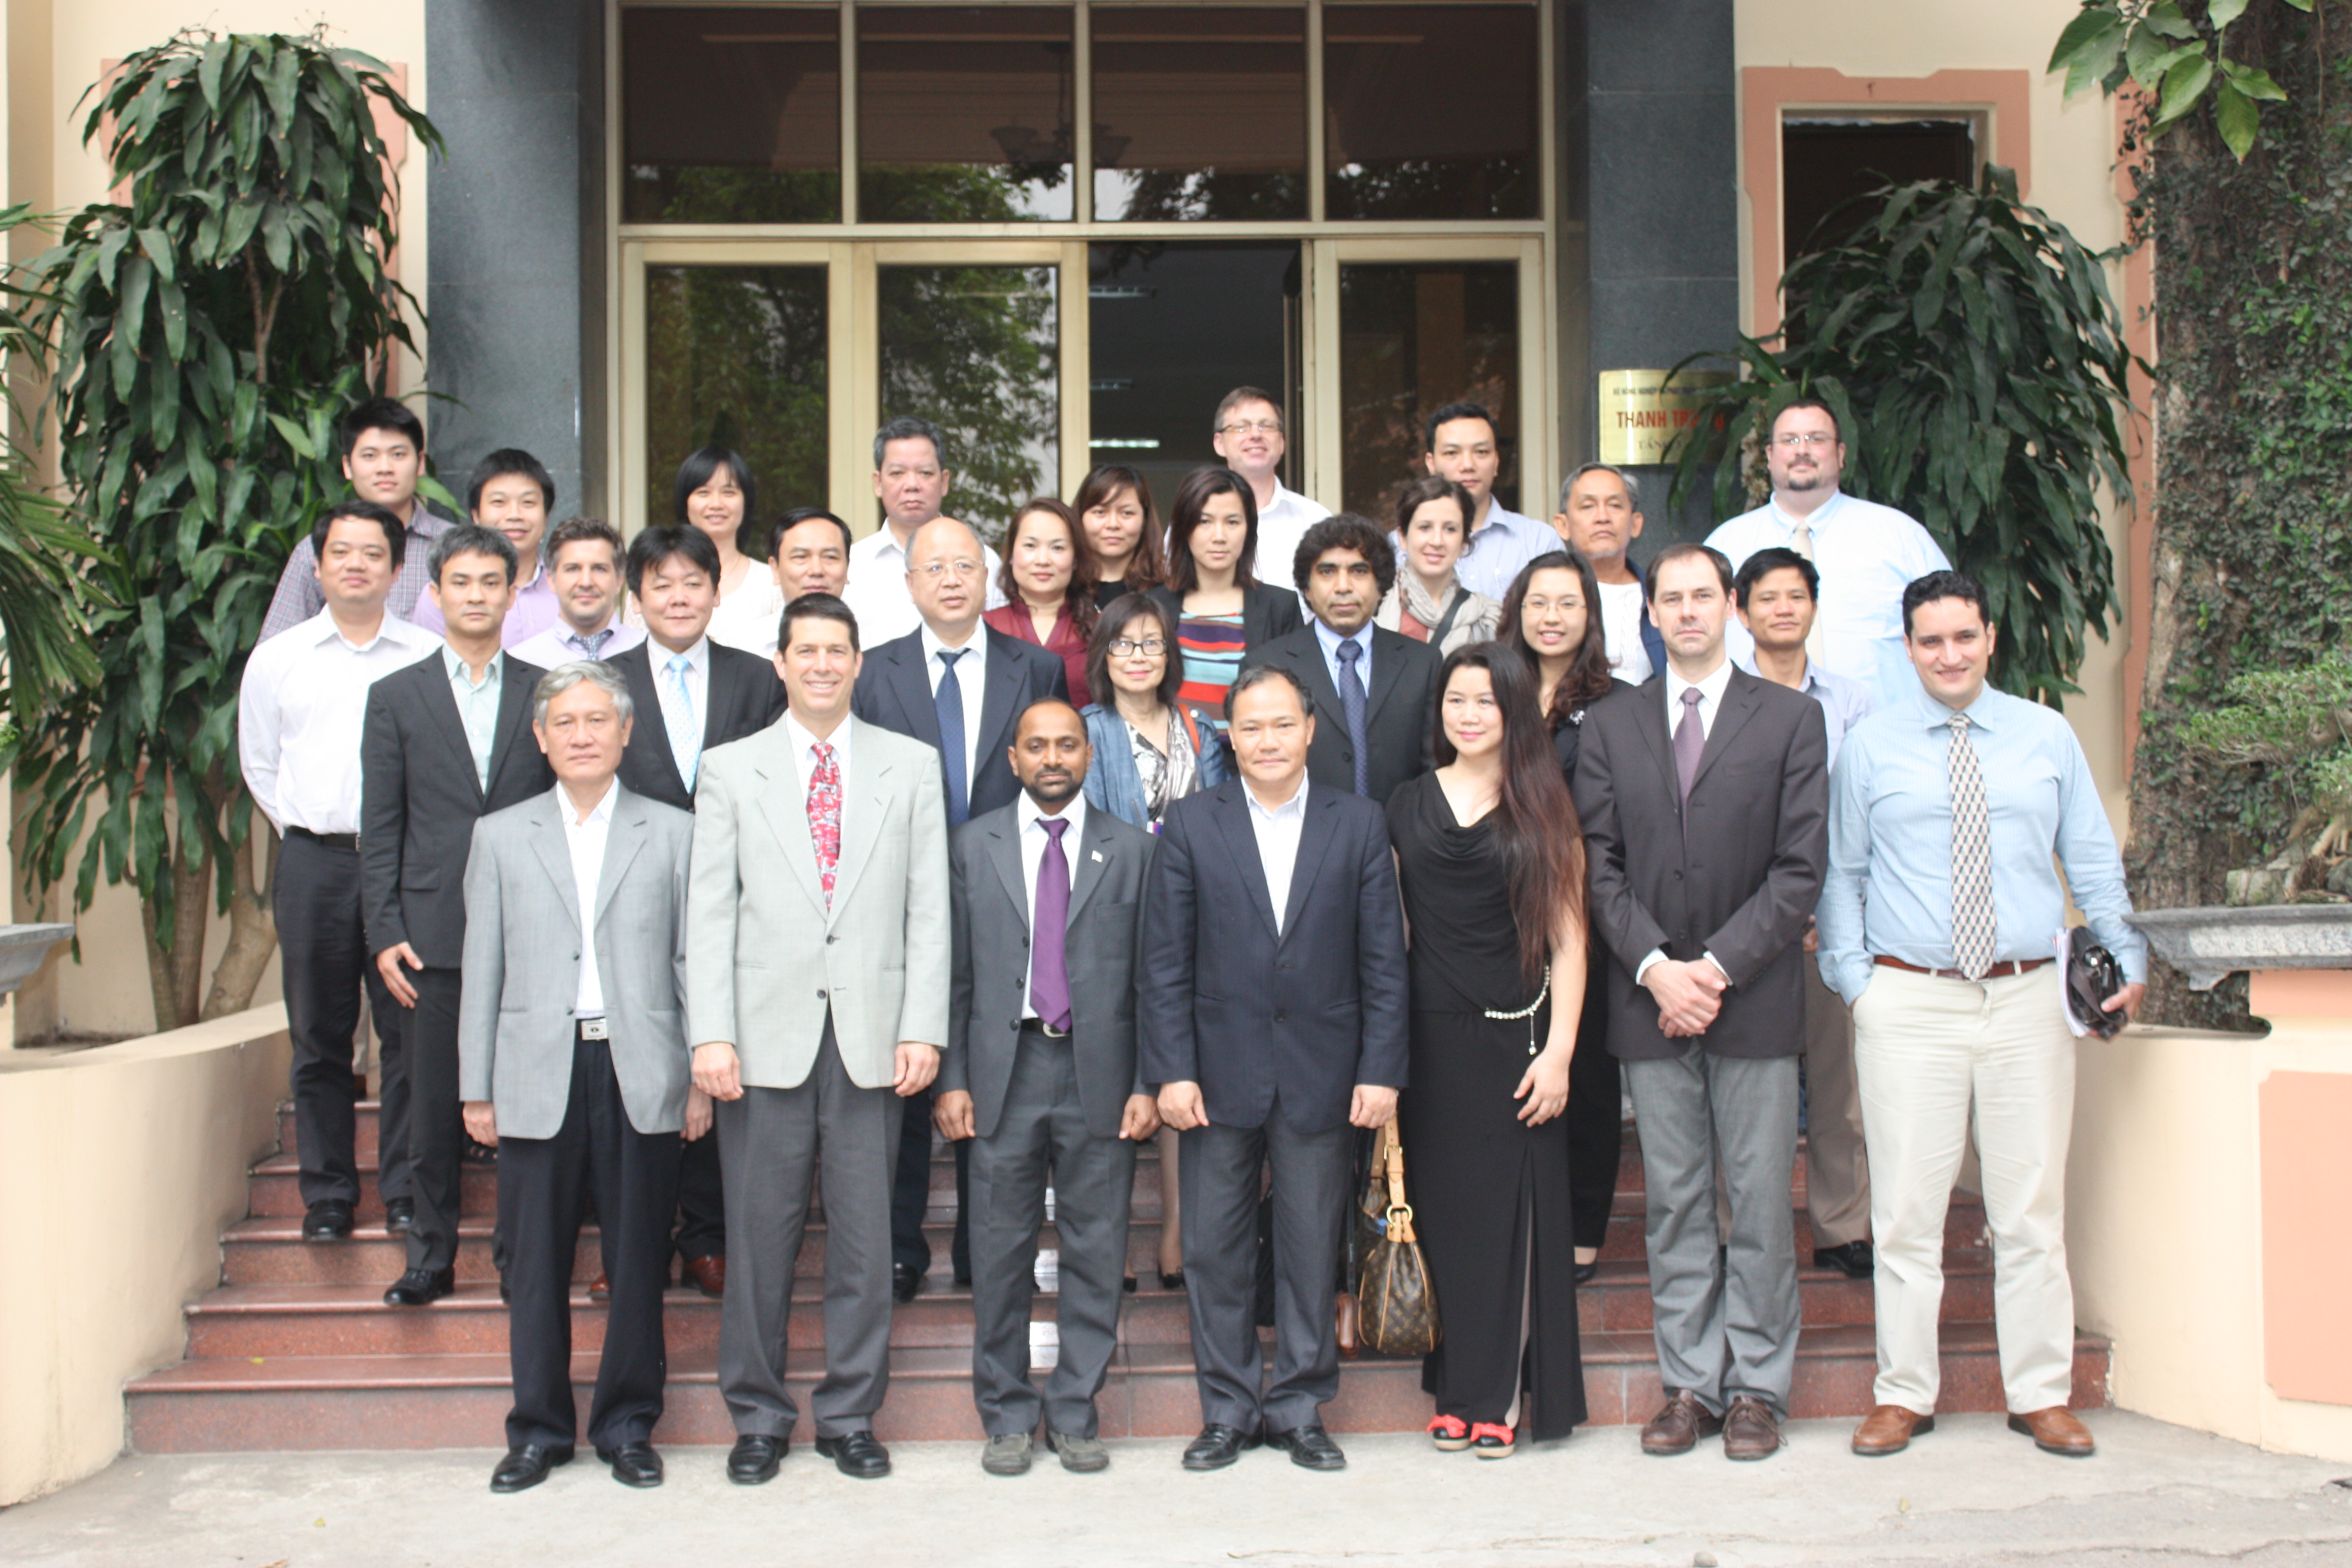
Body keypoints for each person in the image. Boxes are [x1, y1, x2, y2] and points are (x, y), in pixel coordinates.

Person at [1821, 569, 2146, 1461]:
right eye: (1930, 641)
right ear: (1907, 648)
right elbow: (1841, 874)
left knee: (2030, 1207)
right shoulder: (1871, 745)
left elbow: (2090, 858)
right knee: (1905, 1211)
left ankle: (2041, 1393)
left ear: (1990, 637)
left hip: (2027, 997)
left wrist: (2127, 954)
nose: (1949, 654)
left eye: (1963, 636)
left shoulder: (2045, 735)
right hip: (1909, 998)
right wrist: (1857, 985)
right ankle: (1903, 1393)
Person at [1571, 542, 1827, 1463]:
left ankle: (1757, 1388)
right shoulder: (1610, 724)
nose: (1686, 611)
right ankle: (1689, 1385)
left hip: (1750, 1000)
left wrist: (1711, 970)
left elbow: (1799, 869)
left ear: (1732, 607)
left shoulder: (1791, 719)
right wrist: (1654, 968)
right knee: (1676, 1202)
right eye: (1670, 597)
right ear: (1649, 612)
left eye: (1702, 595)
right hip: (1648, 1002)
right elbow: (1595, 862)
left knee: (1755, 1202)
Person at [688, 592, 950, 1485]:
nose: (823, 665)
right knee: (759, 1240)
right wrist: (711, 1033)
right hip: (760, 1042)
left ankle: (849, 1414)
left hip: (873, 1038)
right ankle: (758, 1416)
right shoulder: (730, 769)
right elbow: (709, 912)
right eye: (807, 650)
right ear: (781, 662)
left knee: (866, 1243)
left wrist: (922, 1026)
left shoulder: (910, 765)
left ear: (858, 661)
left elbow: (928, 910)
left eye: (838, 650)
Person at [1141, 665, 1409, 1474]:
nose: (1267, 741)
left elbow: (1384, 962)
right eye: (1251, 727)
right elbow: (1164, 962)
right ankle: (1227, 1409)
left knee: (1309, 1247)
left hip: (1323, 1073)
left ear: (1310, 730)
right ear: (1230, 737)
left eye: (1282, 724)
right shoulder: (1192, 823)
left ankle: (1298, 1407)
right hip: (1214, 1077)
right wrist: (1172, 1071)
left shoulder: (1357, 822)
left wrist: (1381, 1069)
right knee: (1214, 1252)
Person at [459, 661, 700, 1495]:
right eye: (565, 722)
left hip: (641, 1069)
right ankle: (538, 1431)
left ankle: (628, 1426)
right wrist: (477, 1087)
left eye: (599, 720)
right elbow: (482, 968)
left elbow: (691, 961)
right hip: (535, 1069)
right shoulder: (500, 835)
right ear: (540, 737)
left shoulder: (673, 831)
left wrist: (698, 1075)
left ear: (627, 732)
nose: (583, 735)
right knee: (534, 1264)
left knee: (638, 1261)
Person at [936, 699, 1161, 1476]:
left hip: (1102, 1074)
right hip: (1003, 1074)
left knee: (1097, 1251)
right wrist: (952, 1078)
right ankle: (1005, 1413)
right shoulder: (971, 847)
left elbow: (1153, 980)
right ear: (1014, 759)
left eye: (1068, 744)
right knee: (999, 1251)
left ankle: (1074, 1412)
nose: (1054, 758)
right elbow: (952, 975)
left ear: (1089, 756)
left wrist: (1148, 1081)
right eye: (1038, 746)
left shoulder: (1135, 851)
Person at [853, 516, 1069, 1303]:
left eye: (965, 566)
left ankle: (988, 1250)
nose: (951, 579)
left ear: (989, 580)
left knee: (994, 1070)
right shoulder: (873, 671)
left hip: (1005, 896)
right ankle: (901, 1248)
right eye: (934, 567)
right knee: (905, 1073)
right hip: (897, 900)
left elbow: (1051, 779)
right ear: (909, 583)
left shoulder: (1036, 667)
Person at [1389, 645, 1589, 1457]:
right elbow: (1393, 930)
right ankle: (1456, 1391)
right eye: (1456, 700)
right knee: (1445, 1221)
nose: (1469, 715)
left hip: (1521, 1039)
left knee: (1509, 1224)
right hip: (1429, 1041)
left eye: (1486, 701)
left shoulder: (1544, 804)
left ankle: (1497, 1398)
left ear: (1514, 712)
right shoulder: (1406, 801)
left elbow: (1570, 943)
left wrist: (1562, 1052)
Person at [361, 525, 557, 1306]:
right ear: (435, 594)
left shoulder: (546, 690)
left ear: (513, 595)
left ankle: (519, 1258)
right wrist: (384, 930)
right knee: (432, 1105)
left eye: (491, 582)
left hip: (532, 928)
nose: (477, 596)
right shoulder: (395, 696)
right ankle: (430, 1257)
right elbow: (381, 827)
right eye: (462, 583)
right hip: (430, 935)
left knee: (525, 1103)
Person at [238, 500, 439, 1244]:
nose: (357, 564)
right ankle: (327, 1194)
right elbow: (260, 764)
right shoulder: (279, 659)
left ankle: (407, 1190)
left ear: (397, 569)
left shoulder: (427, 655)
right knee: (319, 1036)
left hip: (404, 867)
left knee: (407, 1034)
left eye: (373, 553)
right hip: (315, 863)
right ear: (318, 569)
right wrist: (309, 829)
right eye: (341, 553)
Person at [609, 524, 787, 1300]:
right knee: (641, 1057)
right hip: (630, 895)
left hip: (737, 898)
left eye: (693, 583)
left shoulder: (757, 679)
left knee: (722, 1053)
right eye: (662, 584)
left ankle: (708, 1235)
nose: (678, 597)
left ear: (718, 593)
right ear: (636, 597)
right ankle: (635, 1242)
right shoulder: (604, 682)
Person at [1077, 592, 1232, 1289]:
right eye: (1123, 643)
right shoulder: (1086, 730)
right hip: (1107, 918)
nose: (1138, 657)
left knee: (1177, 1064)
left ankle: (1175, 1229)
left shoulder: (1203, 729)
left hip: (1193, 919)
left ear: (1171, 655)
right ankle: (1110, 1240)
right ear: (1103, 655)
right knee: (1112, 1074)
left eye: (1151, 644)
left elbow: (1224, 821)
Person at [1732, 547, 1878, 1282]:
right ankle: (1737, 1231)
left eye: (1796, 596)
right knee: (1740, 1089)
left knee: (1838, 1087)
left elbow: (1861, 816)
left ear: (1814, 607)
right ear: (1742, 610)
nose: (1783, 609)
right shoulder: (1722, 695)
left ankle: (1843, 1226)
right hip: (1741, 922)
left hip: (1831, 923)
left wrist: (1835, 913)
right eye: (1768, 597)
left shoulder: (1853, 701)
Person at [1499, 549, 1626, 1282]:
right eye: (1538, 603)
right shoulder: (1492, 688)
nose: (1551, 618)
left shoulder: (1621, 702)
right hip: (1499, 910)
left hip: (1591, 911)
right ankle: (1516, 1219)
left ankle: (1581, 1231)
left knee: (1587, 1073)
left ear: (1590, 614)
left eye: (1567, 604)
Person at [1705, 396, 1951, 705]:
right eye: (1790, 440)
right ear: (1769, 455)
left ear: (1841, 453)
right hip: (1756, 729)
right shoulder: (1724, 546)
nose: (1802, 450)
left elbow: (1952, 628)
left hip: (1880, 729)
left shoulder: (1900, 537)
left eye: (1816, 439)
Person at [1242, 513, 1440, 804]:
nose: (1343, 586)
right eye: (1327, 572)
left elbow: (1435, 770)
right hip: (1302, 830)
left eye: (1359, 571)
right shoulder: (1268, 665)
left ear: (1381, 585)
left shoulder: (1423, 663)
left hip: (1400, 830)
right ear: (1307, 588)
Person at [259, 398, 454, 640]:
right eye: (370, 455)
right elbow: (278, 646)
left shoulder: (455, 547)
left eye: (398, 454)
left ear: (420, 463)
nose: (385, 468)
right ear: (347, 466)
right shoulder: (317, 549)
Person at [1148, 467, 1302, 728]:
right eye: (1204, 522)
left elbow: (1294, 699)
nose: (1219, 537)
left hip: (1252, 751)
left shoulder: (1279, 607)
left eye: (1232, 522)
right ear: (1184, 529)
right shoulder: (1153, 606)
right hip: (1171, 751)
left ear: (1249, 530)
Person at [844, 417, 1008, 647]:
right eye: (897, 473)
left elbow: (1001, 644)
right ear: (878, 483)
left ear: (944, 481)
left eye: (925, 473)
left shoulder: (982, 561)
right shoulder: (851, 566)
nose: (912, 485)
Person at [413, 450, 564, 648]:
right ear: (476, 516)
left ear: (546, 516)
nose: (514, 515)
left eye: (528, 503)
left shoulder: (567, 588)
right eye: (499, 502)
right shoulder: (443, 595)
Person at [1420, 401, 1552, 601]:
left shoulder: (1538, 543)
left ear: (1497, 462)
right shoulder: (1400, 547)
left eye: (1481, 452)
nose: (1468, 465)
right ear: (1431, 463)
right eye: (1452, 453)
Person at [1208, 387, 1327, 603]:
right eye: (1241, 427)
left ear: (1281, 442)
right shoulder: (1194, 520)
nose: (1255, 435)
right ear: (1219, 443)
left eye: (1266, 426)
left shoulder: (1315, 519)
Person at [1552, 462, 1664, 685]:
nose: (1602, 517)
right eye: (1588, 506)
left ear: (1635, 523)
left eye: (1615, 505)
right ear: (1563, 525)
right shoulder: (1542, 599)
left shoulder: (1662, 597)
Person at [984, 498, 1099, 705]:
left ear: (1076, 559)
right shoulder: (985, 627)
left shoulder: (1102, 628)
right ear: (1011, 555)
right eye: (1030, 546)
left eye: (1058, 548)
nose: (1043, 560)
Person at [668, 447, 782, 654]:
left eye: (729, 492)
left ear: (746, 502)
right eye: (703, 492)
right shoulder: (656, 581)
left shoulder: (772, 583)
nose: (716, 504)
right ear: (684, 502)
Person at [1374, 475, 1500, 654]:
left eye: (1450, 529)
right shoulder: (1374, 606)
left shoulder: (1485, 617)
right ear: (1403, 537)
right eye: (1425, 527)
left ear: (1464, 542)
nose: (1437, 541)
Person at [509, 518, 646, 669]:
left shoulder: (649, 654)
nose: (586, 582)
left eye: (599, 569)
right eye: (573, 569)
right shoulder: (522, 662)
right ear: (551, 581)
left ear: (619, 581)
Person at [761, 508, 854, 655]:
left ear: (847, 567)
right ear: (775, 569)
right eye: (800, 557)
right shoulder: (743, 645)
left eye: (830, 557)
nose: (816, 570)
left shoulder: (879, 646)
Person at [1074, 464, 1167, 609]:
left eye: (1127, 513)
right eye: (1100, 512)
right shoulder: (1065, 591)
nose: (1113, 524)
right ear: (1080, 517)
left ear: (1145, 520)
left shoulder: (1167, 594)